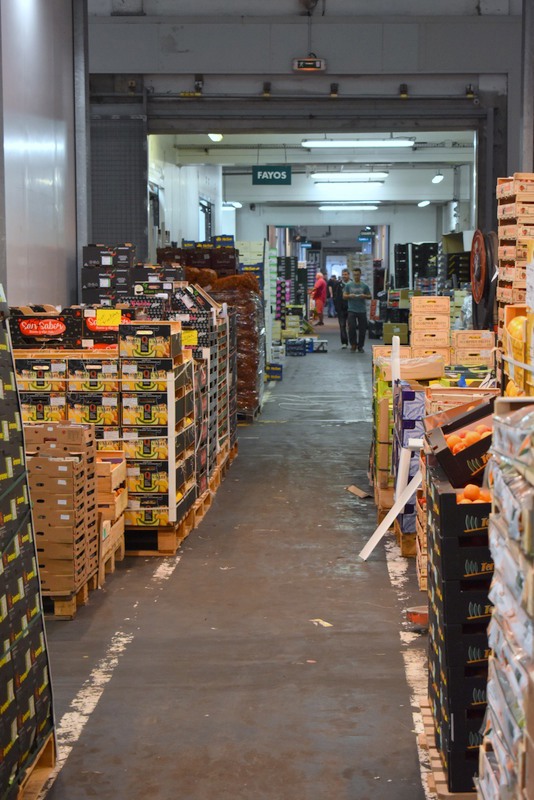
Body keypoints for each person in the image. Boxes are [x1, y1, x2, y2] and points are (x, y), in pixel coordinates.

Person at [343, 267, 372, 352]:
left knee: (362, 329)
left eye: (358, 275)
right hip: (351, 310)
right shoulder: (348, 285)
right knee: (351, 328)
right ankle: (353, 344)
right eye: (355, 275)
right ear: (353, 275)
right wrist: (349, 296)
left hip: (362, 310)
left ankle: (360, 346)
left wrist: (365, 296)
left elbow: (370, 296)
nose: (356, 276)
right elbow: (344, 296)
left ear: (360, 275)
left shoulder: (364, 286)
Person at [333, 268, 350, 348]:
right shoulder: (338, 284)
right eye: (343, 274)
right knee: (342, 325)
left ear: (349, 275)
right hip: (341, 308)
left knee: (351, 326)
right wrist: (336, 307)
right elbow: (335, 296)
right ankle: (344, 342)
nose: (344, 276)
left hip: (351, 308)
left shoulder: (352, 284)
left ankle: (353, 342)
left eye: (345, 274)